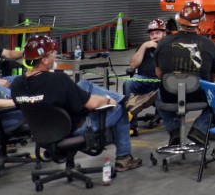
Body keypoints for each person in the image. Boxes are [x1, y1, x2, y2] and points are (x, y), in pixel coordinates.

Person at [10, 34, 142, 171]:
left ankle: (127, 99)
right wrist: (108, 100)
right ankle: (124, 158)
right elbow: (92, 104)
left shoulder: (17, 84)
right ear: (44, 60)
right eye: (53, 53)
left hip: (41, 132)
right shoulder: (58, 80)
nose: (55, 54)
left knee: (84, 84)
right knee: (120, 108)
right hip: (70, 129)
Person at [155, 1, 215, 146]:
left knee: (157, 94)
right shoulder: (208, 44)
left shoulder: (163, 42)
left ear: (179, 20)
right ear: (201, 21)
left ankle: (174, 131)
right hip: (199, 94)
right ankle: (200, 128)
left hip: (169, 96)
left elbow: (159, 73)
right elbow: (213, 77)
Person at [123, 18, 166, 112]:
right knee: (129, 83)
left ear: (164, 33)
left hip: (162, 82)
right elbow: (133, 65)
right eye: (152, 34)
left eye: (157, 33)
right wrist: (144, 46)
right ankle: (131, 122)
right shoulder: (145, 46)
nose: (155, 36)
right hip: (144, 79)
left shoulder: (169, 46)